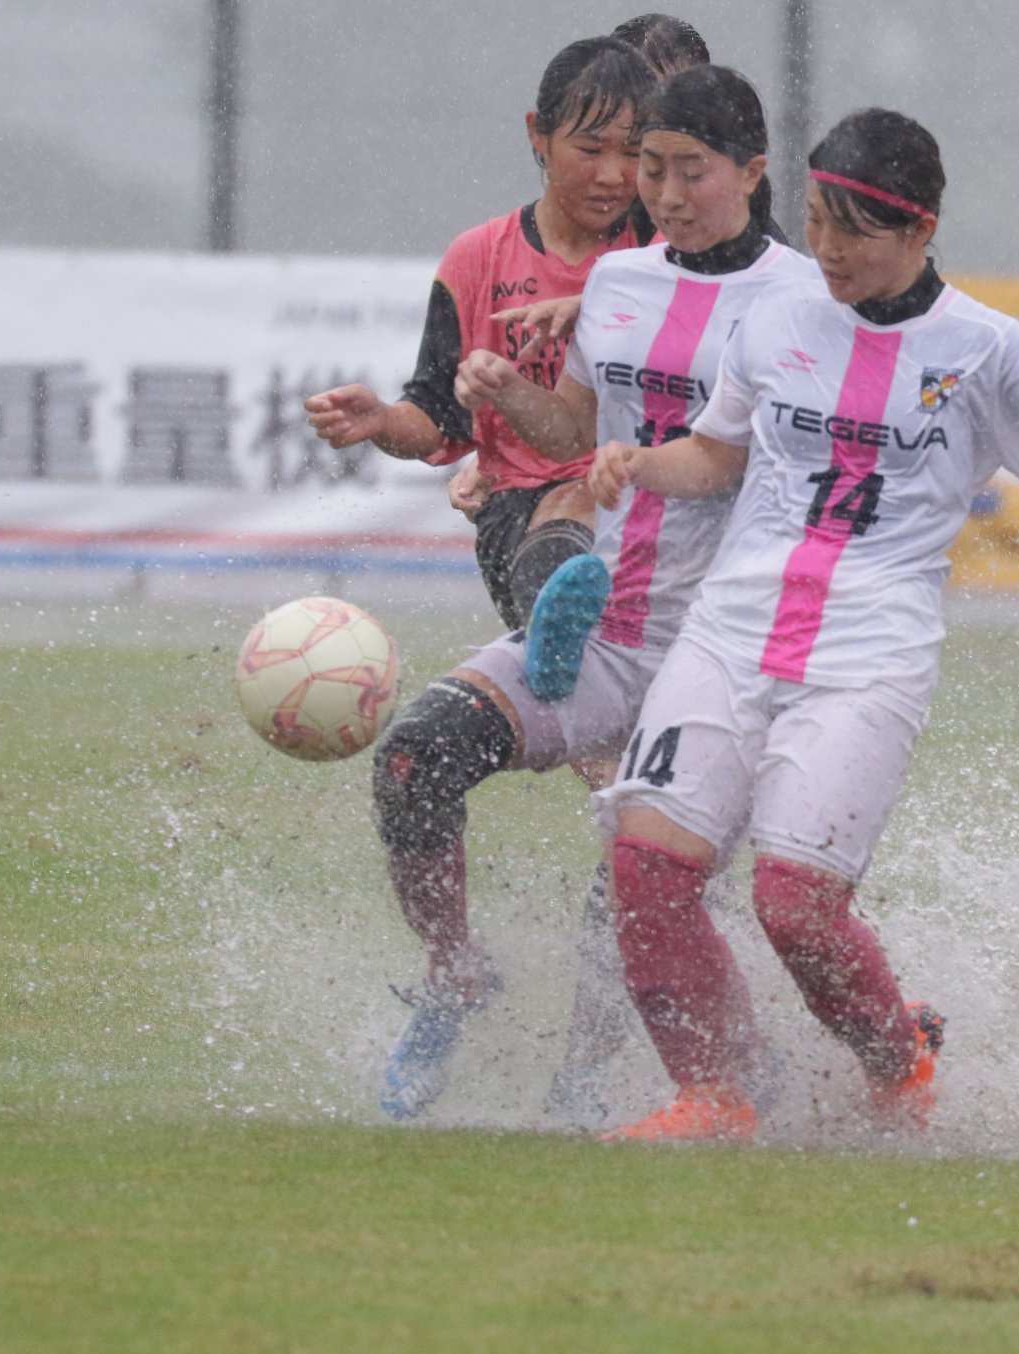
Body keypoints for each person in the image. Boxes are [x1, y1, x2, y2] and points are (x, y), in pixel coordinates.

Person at [584, 107, 1019, 1143]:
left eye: (853, 230)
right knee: (646, 868)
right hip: (731, 628)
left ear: (919, 229)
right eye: (814, 221)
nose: (827, 250)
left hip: (868, 649)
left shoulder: (985, 347)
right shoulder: (779, 317)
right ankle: (713, 1094)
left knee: (793, 907)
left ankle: (897, 1060)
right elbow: (715, 455)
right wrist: (637, 464)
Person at [369, 63, 821, 1123]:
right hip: (612, 626)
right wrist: (507, 396)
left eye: (685, 172)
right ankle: (455, 973)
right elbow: (579, 437)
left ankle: (621, 1082)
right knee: (409, 759)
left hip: (732, 649)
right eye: (650, 170)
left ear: (752, 173)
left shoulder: (807, 301)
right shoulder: (621, 284)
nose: (659, 193)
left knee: (637, 881)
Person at [304, 36, 655, 632]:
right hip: (517, 520)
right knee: (562, 592)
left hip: (646, 502)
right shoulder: (476, 259)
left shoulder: (662, 249)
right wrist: (384, 420)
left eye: (633, 152)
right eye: (590, 149)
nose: (613, 175)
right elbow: (438, 416)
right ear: (536, 135)